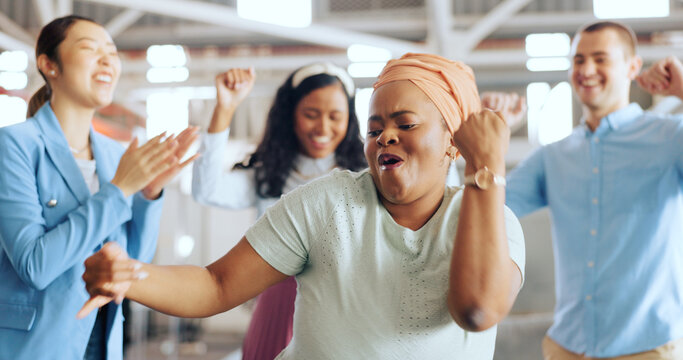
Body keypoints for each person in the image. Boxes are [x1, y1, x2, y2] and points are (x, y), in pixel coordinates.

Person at [78, 53, 525, 359]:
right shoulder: (327, 202)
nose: (385, 136)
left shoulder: (489, 218)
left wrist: (486, 168)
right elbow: (216, 284)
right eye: (374, 130)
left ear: (452, 141)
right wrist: (132, 276)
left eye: (405, 124)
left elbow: (477, 310)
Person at [0, 15, 198, 360]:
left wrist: (148, 194)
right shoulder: (14, 145)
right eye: (90, 49)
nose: (108, 59)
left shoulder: (115, 155)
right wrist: (120, 190)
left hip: (103, 342)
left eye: (112, 51)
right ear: (49, 65)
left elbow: (133, 266)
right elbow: (35, 266)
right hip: (36, 346)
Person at [505, 21, 683, 359]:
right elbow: (485, 208)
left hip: (650, 348)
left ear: (633, 67)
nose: (586, 70)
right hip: (568, 348)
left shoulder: (671, 138)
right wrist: (487, 139)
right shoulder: (552, 156)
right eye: (578, 60)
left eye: (601, 59)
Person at [191, 63, 366, 359]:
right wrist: (226, 107)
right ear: (291, 116)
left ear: (349, 120)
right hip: (277, 311)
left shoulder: (364, 177)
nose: (323, 128)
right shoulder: (268, 177)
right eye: (311, 114)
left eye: (335, 116)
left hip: (347, 311)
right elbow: (205, 190)